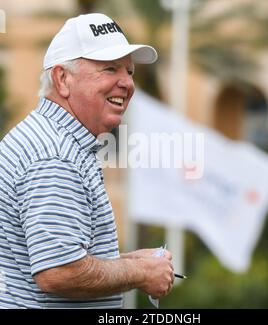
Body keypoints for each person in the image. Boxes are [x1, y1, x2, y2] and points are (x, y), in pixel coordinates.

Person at [0, 13, 174, 309]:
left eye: (129, 71)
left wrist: (129, 262)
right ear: (62, 79)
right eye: (110, 69)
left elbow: (59, 258)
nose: (127, 84)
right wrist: (140, 272)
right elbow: (58, 272)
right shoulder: (54, 155)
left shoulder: (56, 140)